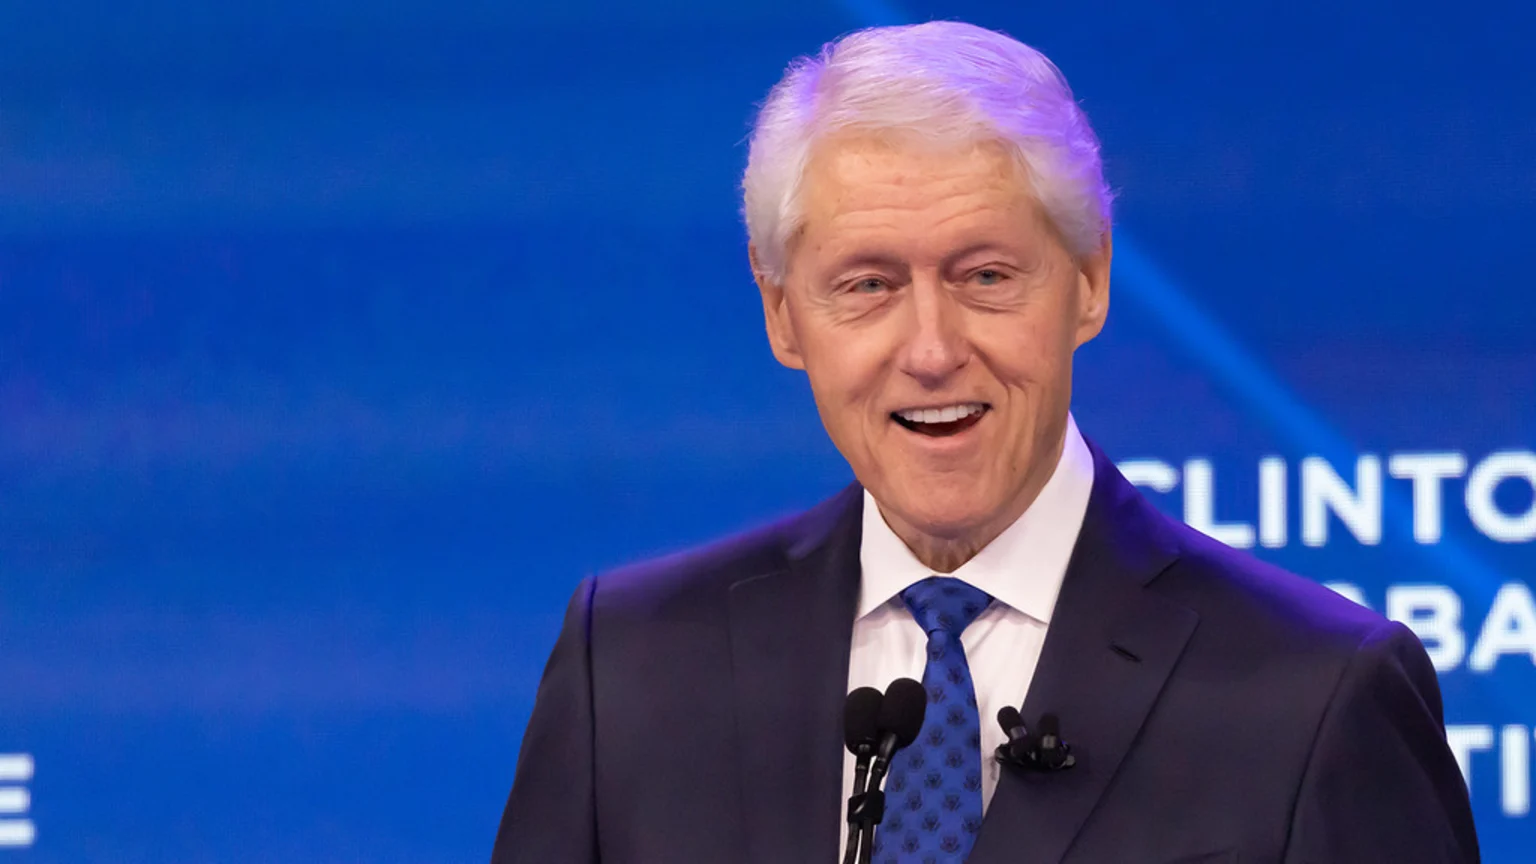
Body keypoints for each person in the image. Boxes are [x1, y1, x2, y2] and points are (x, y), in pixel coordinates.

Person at [490, 20, 1478, 864]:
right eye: (868, 284)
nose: (930, 350)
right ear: (782, 314)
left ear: (1089, 281)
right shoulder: (629, 668)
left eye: (986, 276)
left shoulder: (1317, 694)